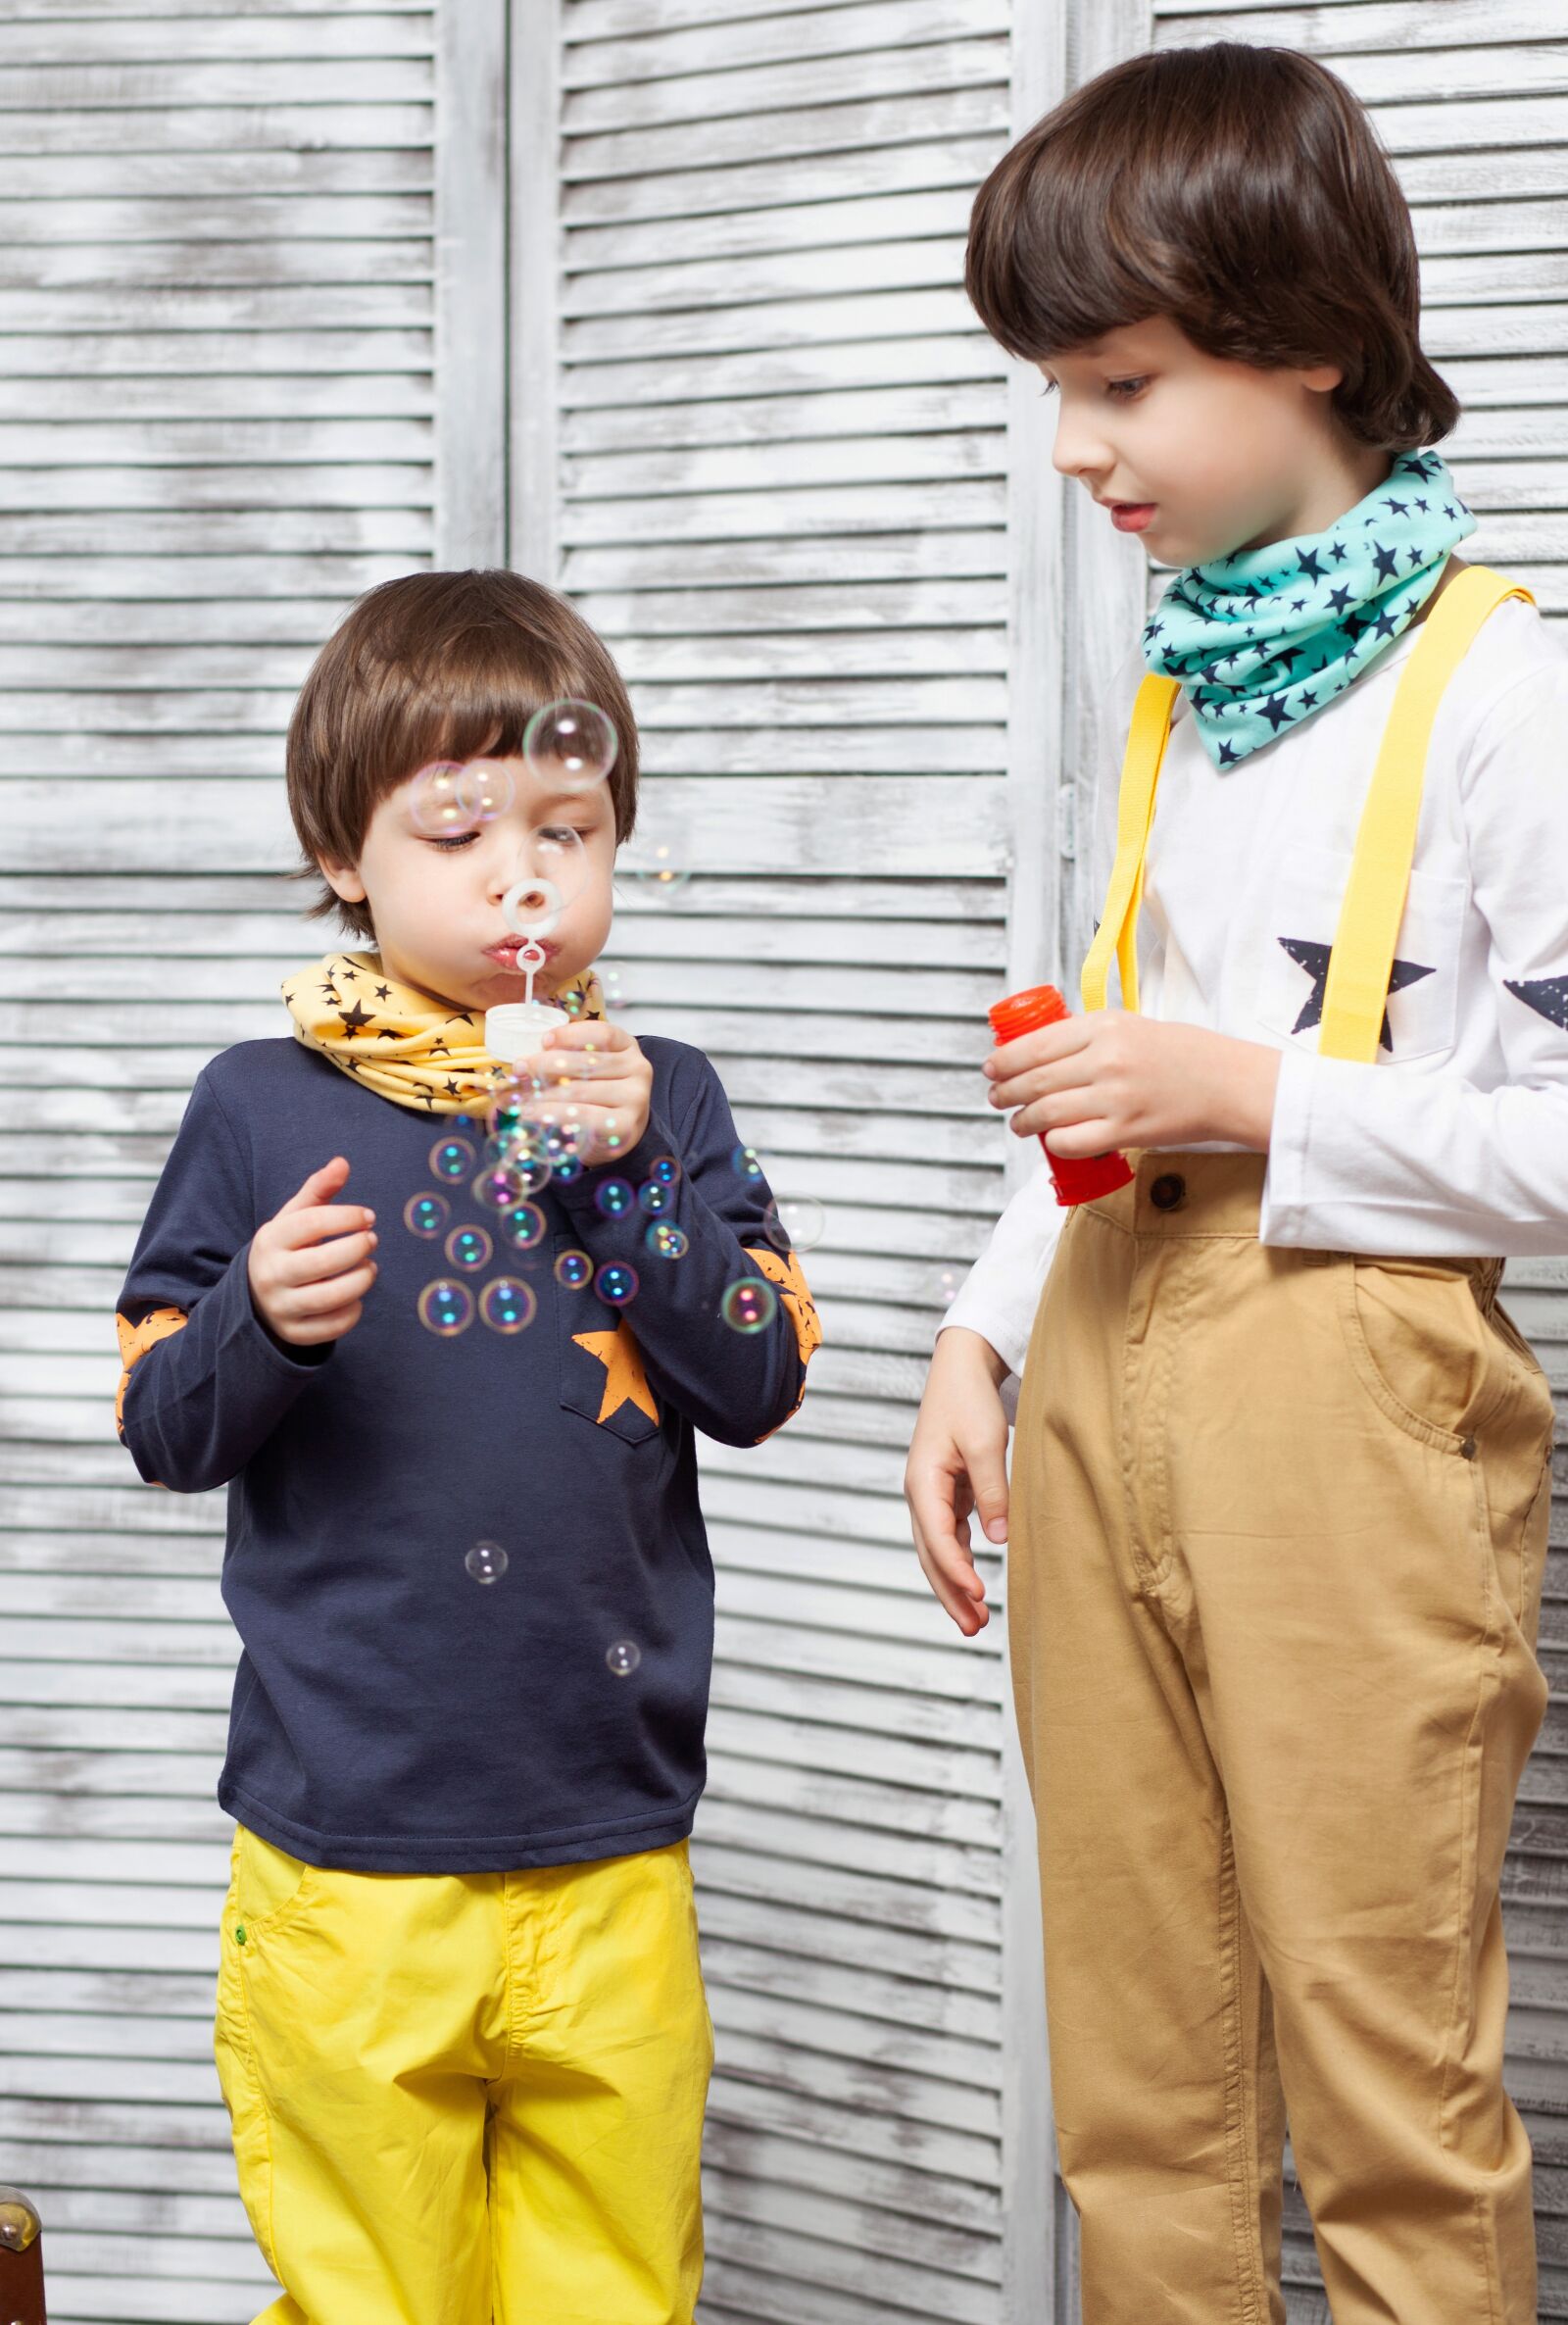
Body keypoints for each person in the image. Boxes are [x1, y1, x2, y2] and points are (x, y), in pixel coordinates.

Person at [905, 42, 1568, 2325]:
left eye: (1115, 382)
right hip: (1106, 1350)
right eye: (1055, 388)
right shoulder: (1189, 677)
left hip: (1348, 1395)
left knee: (1388, 2096)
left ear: (1299, 343)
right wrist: (986, 1326)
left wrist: (1259, 1096)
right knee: (1139, 2087)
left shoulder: (1500, 695)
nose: (1073, 446)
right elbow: (1116, 1062)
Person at [114, 569, 820, 2325]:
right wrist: (257, 1320)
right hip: (349, 1848)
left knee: (611, 2287)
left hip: (611, 1836)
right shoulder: (257, 1105)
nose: (524, 873)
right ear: (343, 857)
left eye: (568, 827)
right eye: (458, 830)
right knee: (376, 2293)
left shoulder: (664, 1095)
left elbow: (759, 1377)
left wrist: (635, 1179)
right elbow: (161, 1427)